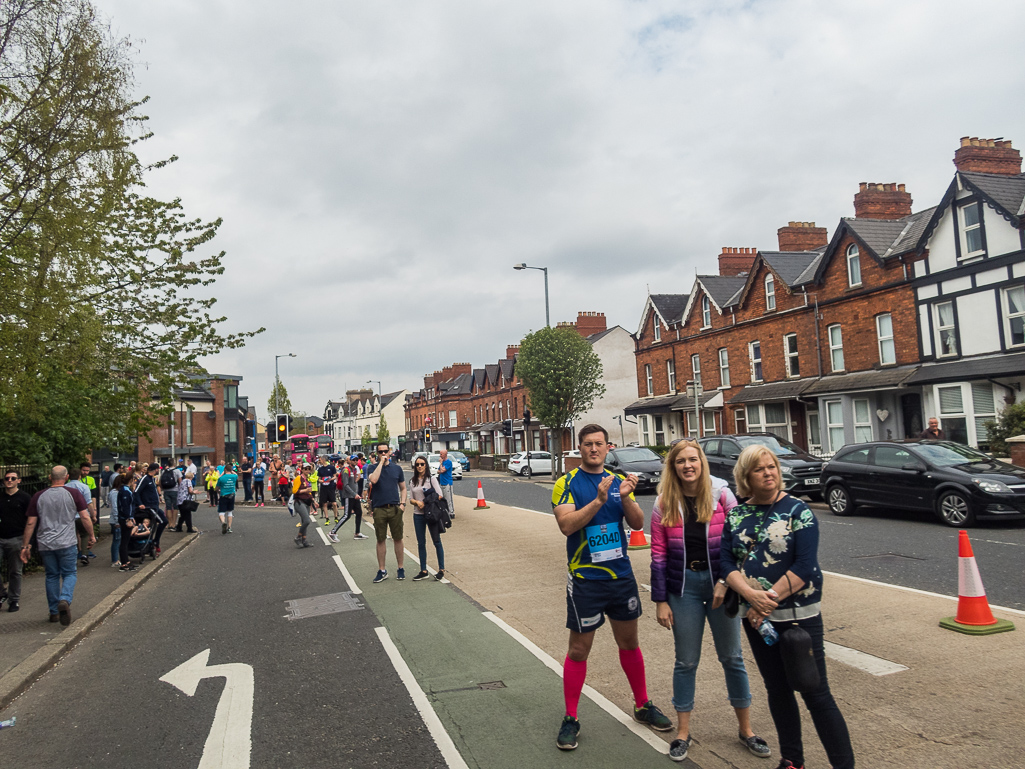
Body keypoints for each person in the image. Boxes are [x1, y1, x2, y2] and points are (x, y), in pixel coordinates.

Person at [721, 445, 854, 769]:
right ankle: (792, 759)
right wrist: (749, 597)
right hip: (757, 621)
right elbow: (726, 562)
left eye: (772, 467)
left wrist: (764, 602)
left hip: (798, 619)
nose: (769, 473)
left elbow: (805, 565)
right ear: (746, 477)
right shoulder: (736, 514)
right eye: (760, 469)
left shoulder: (798, 511)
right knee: (778, 690)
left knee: (816, 693)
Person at [552, 424, 672, 751]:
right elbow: (566, 525)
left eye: (599, 444)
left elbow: (636, 523)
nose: (594, 449)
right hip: (586, 580)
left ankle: (642, 704)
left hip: (620, 577)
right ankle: (571, 717)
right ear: (580, 448)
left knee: (629, 643)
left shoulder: (619, 482)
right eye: (588, 444)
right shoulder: (567, 483)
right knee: (579, 649)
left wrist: (624, 497)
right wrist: (598, 501)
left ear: (608, 448)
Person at [651, 440, 770, 763]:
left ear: (701, 462)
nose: (688, 466)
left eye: (693, 460)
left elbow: (741, 541)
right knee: (686, 661)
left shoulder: (721, 494)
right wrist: (660, 600)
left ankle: (746, 730)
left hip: (723, 586)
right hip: (683, 588)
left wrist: (725, 581)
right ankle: (682, 733)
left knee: (732, 657)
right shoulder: (664, 502)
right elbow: (659, 555)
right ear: (673, 467)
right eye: (681, 462)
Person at [21, 466, 95, 626]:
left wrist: (25, 546)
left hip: (46, 543)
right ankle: (65, 599)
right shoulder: (74, 493)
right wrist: (91, 535)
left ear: (49, 477)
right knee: (69, 573)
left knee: (52, 576)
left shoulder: (38, 496)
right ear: (67, 477)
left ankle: (54, 611)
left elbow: (31, 522)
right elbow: (85, 516)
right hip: (67, 541)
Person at [367, 443, 408, 583]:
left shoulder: (397, 469)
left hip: (395, 508)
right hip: (379, 508)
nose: (383, 454)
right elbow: (373, 480)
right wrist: (381, 464)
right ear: (377, 453)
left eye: (386, 451)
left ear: (390, 452)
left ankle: (400, 568)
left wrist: (402, 504)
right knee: (380, 539)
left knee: (398, 538)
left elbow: (403, 488)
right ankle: (382, 570)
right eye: (380, 452)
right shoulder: (372, 468)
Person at [407, 456, 446, 581]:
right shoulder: (412, 481)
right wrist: (416, 503)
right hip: (418, 515)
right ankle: (423, 570)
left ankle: (441, 569)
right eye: (417, 464)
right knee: (421, 543)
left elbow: (440, 495)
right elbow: (411, 498)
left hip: (431, 514)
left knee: (436, 541)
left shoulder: (431, 479)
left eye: (422, 464)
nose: (419, 466)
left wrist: (425, 501)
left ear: (426, 465)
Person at [0, 469, 32, 612]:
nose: (10, 481)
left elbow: (31, 521)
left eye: (13, 478)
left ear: (19, 480)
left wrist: (28, 543)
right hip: (1, 537)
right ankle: (1, 593)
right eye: (7, 478)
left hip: (17, 538)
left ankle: (14, 600)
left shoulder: (24, 498)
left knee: (15, 571)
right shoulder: (0, 497)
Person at [328, 458, 366, 541]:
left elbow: (354, 482)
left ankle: (357, 533)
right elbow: (345, 485)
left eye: (356, 460)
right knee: (346, 515)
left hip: (355, 496)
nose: (355, 461)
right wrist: (354, 494)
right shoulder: (346, 470)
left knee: (359, 513)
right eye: (353, 460)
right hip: (349, 496)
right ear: (349, 461)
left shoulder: (355, 470)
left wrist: (356, 494)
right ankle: (332, 532)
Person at [136, 463, 168, 552]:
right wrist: (140, 503)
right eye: (158, 469)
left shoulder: (152, 479)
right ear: (155, 469)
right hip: (149, 507)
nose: (159, 471)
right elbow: (136, 492)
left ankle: (155, 541)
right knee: (161, 521)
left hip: (155, 506)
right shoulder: (145, 479)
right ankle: (154, 542)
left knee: (165, 521)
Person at [66, 467, 95, 565]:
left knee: (72, 537)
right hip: (82, 516)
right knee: (85, 534)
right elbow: (89, 503)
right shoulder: (84, 487)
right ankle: (84, 554)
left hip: (69, 517)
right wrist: (93, 515)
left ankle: (72, 556)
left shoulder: (65, 487)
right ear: (79, 476)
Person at [116, 473, 138, 572]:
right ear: (131, 480)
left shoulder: (126, 490)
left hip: (125, 517)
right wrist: (128, 518)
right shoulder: (125, 491)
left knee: (126, 540)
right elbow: (126, 506)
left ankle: (126, 561)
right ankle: (124, 563)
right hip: (125, 518)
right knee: (124, 541)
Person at [292, 464, 315, 548]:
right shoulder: (299, 478)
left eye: (309, 469)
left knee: (304, 522)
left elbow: (309, 492)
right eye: (305, 469)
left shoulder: (307, 479)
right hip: (299, 502)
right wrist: (305, 490)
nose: (307, 471)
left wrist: (313, 500)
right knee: (306, 521)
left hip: (307, 502)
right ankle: (298, 537)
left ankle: (304, 540)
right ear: (302, 470)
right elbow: (294, 491)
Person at [216, 464, 238, 534]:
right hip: (232, 495)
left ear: (225, 470)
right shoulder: (234, 476)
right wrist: (232, 471)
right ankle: (229, 527)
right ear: (231, 470)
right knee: (230, 511)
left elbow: (217, 488)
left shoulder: (221, 478)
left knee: (221, 512)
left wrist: (218, 491)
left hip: (223, 495)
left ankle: (223, 522)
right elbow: (236, 474)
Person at [159, 462, 180, 530]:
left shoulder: (164, 471)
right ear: (174, 464)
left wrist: (162, 490)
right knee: (175, 507)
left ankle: (169, 523)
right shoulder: (177, 471)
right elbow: (180, 481)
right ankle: (173, 524)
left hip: (166, 491)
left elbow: (160, 482)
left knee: (168, 507)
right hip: (175, 491)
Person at [317, 456, 338, 522]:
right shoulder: (320, 469)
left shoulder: (331, 467)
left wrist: (330, 479)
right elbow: (319, 478)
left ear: (324, 460)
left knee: (334, 503)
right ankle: (327, 518)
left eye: (320, 460)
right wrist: (322, 481)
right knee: (324, 503)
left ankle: (336, 517)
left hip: (331, 487)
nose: (319, 461)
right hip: (323, 487)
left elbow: (335, 476)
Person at [437, 448, 455, 520]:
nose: (440, 455)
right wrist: (440, 468)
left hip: (447, 482)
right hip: (442, 482)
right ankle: (445, 512)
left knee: (449, 499)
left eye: (441, 454)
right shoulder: (443, 463)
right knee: (442, 498)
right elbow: (438, 471)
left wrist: (441, 464)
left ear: (445, 454)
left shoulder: (448, 462)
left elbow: (442, 470)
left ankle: (451, 512)